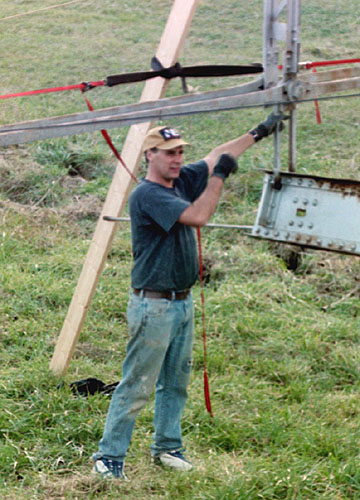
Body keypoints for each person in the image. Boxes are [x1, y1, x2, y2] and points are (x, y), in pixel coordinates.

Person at [92, 112, 286, 479]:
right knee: (138, 384)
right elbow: (198, 215)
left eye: (180, 151)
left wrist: (258, 132)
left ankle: (167, 448)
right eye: (169, 152)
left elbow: (217, 153)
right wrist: (220, 177)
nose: (177, 158)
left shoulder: (180, 181)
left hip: (182, 302)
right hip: (153, 306)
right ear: (150, 155)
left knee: (176, 383)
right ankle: (109, 456)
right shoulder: (149, 194)